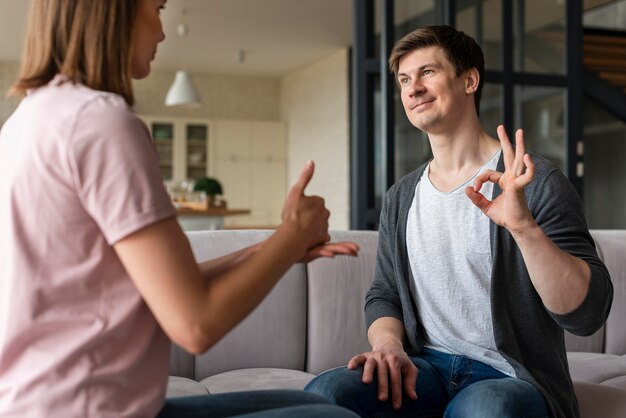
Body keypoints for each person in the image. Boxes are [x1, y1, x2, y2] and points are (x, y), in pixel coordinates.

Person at [0, 1, 361, 417]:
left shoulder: (29, 117)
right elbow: (195, 324)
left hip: (39, 403)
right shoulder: (101, 123)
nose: (162, 31)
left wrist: (273, 249)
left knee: (309, 402)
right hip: (87, 407)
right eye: (156, 8)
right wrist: (290, 234)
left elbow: (149, 289)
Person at [304, 25, 613, 418]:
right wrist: (389, 347)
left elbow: (588, 315)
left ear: (469, 80)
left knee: (487, 409)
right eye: (404, 79)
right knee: (326, 392)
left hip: (509, 377)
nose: (413, 88)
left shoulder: (534, 183)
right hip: (425, 368)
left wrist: (524, 228)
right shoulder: (402, 196)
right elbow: (384, 293)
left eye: (427, 72)